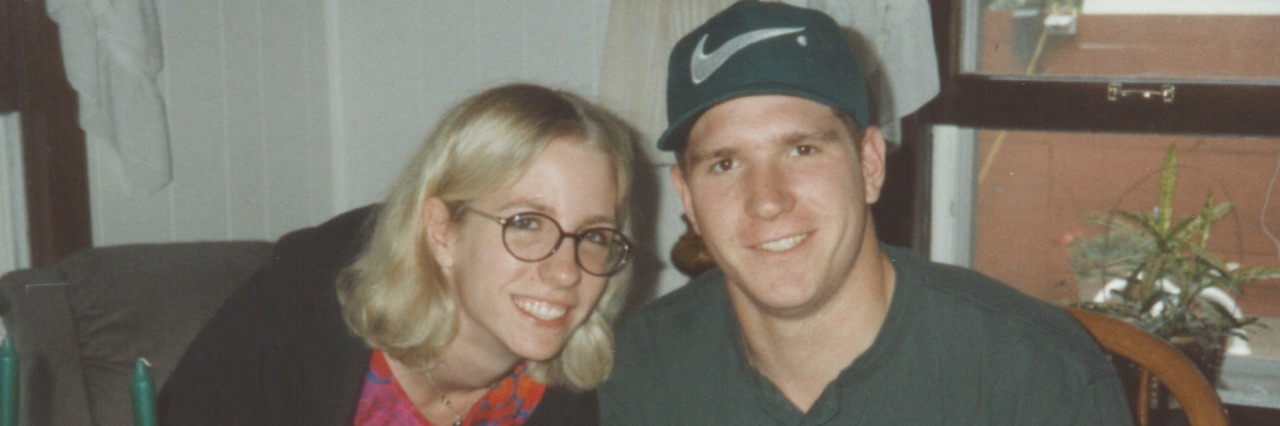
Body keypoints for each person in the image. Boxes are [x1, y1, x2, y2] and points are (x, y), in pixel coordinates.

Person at [598, 2, 1132, 424]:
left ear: (870, 164)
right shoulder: (648, 364)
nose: (767, 199)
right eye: (725, 163)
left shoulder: (1030, 370)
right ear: (687, 198)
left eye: (802, 150)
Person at [160, 83, 638, 425]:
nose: (565, 273)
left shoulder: (586, 394)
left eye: (594, 235)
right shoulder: (297, 314)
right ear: (442, 231)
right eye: (527, 223)